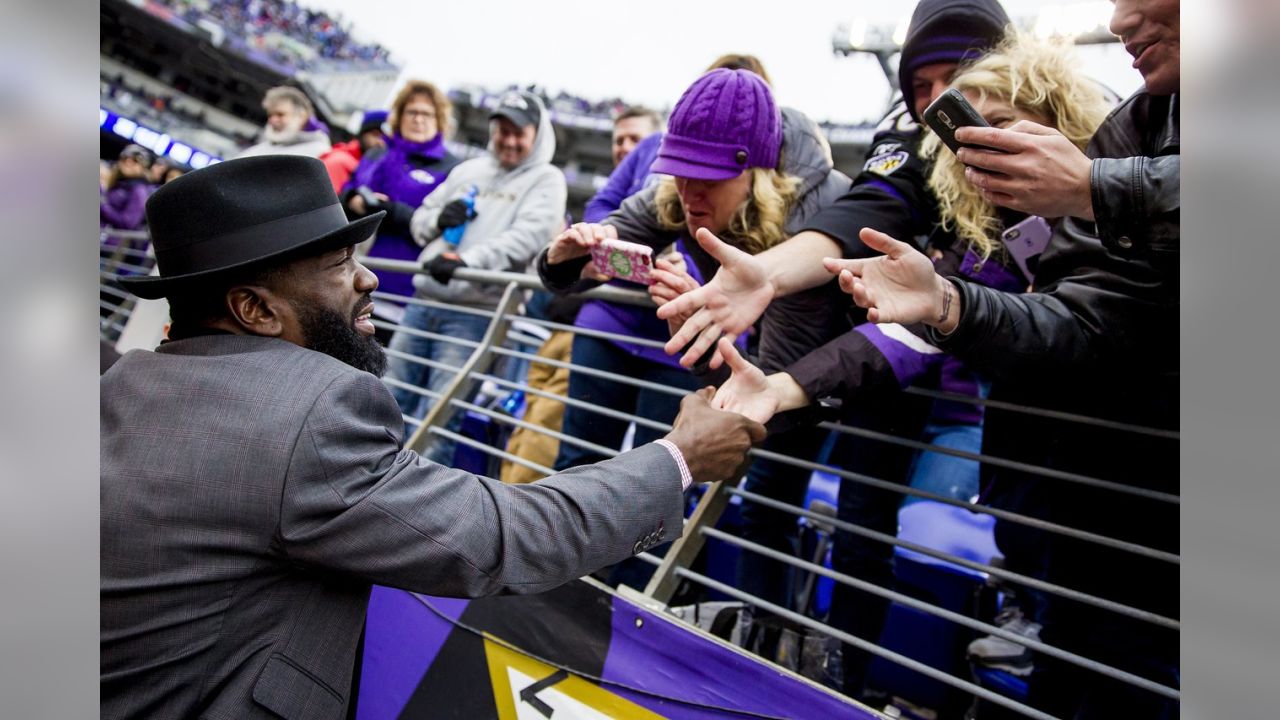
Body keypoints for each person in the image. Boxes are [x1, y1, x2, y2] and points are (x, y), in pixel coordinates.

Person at [101, 155, 765, 720]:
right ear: (255, 310)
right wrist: (681, 457)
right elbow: (503, 534)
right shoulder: (312, 410)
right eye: (337, 265)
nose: (366, 278)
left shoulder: (121, 383)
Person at [710, 29, 1112, 687]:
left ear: (1060, 118)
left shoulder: (1132, 213)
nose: (979, 144)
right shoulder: (991, 241)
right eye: (965, 136)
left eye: (1001, 123)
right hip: (1047, 494)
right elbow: (905, 337)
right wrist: (782, 389)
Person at [825, 0, 1179, 714]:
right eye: (922, 91)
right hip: (1097, 517)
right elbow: (1086, 322)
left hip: (1168, 508)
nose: (1119, 20)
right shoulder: (1139, 123)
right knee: (1078, 675)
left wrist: (1093, 189)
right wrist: (949, 305)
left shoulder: (1107, 161)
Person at [538, 68, 852, 600]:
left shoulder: (811, 215)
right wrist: (567, 255)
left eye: (707, 177)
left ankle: (758, 641)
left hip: (840, 378)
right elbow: (569, 264)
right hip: (768, 377)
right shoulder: (675, 190)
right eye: (681, 172)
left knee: (766, 512)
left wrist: (702, 331)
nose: (689, 192)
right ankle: (570, 600)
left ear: (756, 172)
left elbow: (770, 394)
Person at [385, 90, 566, 464]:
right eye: (502, 130)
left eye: (519, 132)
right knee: (388, 404)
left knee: (438, 421)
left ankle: (414, 512)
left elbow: (527, 238)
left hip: (476, 313)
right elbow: (421, 219)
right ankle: (362, 487)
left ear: (536, 134)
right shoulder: (469, 170)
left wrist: (466, 261)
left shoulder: (547, 179)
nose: (509, 141)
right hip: (425, 302)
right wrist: (439, 219)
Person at [343, 82, 462, 333]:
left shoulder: (451, 169)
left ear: (439, 120)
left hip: (401, 289)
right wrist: (353, 199)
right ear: (399, 116)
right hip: (350, 279)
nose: (419, 120)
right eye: (412, 112)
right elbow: (347, 191)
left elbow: (440, 225)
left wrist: (389, 211)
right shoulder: (378, 153)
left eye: (426, 114)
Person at [235, 85, 331, 159]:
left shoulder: (319, 153)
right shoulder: (260, 148)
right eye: (270, 115)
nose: (272, 120)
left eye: (280, 114)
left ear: (301, 116)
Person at [320, 108, 388, 194]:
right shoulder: (339, 161)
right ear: (362, 134)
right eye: (375, 135)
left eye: (386, 138)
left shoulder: (377, 169)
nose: (380, 141)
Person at [100, 144, 154, 232]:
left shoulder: (139, 190)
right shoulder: (117, 182)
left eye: (135, 160)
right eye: (125, 158)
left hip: (111, 241)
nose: (128, 162)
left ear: (143, 166)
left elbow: (127, 223)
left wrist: (102, 205)